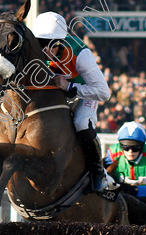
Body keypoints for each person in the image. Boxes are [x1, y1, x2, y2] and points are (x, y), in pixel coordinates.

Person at [32, 12, 111, 193]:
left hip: (83, 95)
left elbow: (104, 93)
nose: (42, 49)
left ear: (59, 42)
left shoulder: (81, 54)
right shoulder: (37, 52)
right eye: (39, 43)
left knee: (81, 122)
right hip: (54, 96)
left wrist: (69, 87)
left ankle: (97, 171)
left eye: (47, 45)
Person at [104, 121, 146, 222]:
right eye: (126, 147)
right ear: (120, 145)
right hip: (119, 193)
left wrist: (135, 190)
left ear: (142, 146)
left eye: (135, 147)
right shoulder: (112, 152)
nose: (130, 151)